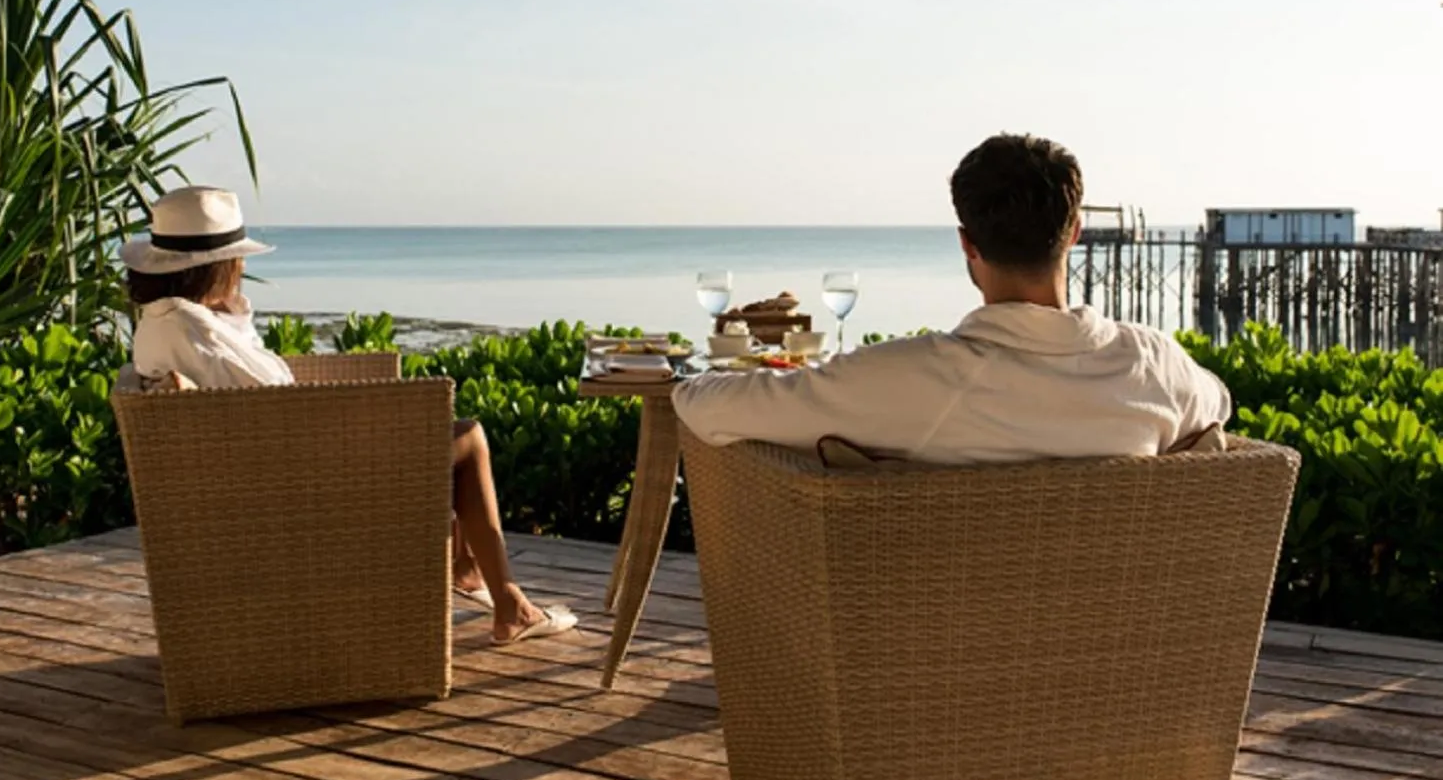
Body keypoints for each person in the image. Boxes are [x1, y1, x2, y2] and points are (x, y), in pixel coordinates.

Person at [121, 185, 577, 645]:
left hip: (256, 478)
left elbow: (255, 400)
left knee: (444, 445)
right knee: (469, 437)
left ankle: (472, 572)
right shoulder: (199, 331)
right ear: (217, 266)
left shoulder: (162, 323)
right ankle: (508, 601)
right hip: (303, 488)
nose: (241, 271)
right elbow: (276, 398)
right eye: (236, 261)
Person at [673, 133, 1231, 464]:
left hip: (937, 650)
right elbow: (1218, 405)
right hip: (1121, 644)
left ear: (967, 243)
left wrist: (695, 378)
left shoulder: (912, 378)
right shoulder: (1153, 365)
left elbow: (705, 405)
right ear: (1076, 232)